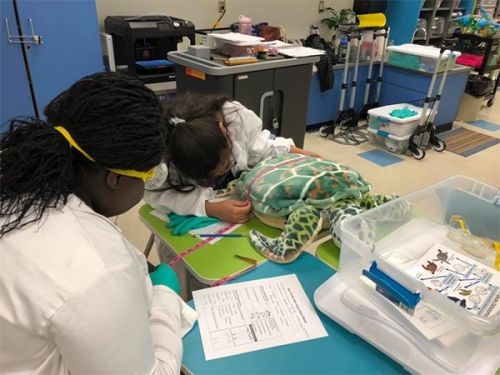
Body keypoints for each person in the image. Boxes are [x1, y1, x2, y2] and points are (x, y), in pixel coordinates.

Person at [0, 72, 195, 374]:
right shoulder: (97, 271)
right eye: (150, 177)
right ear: (114, 178)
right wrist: (166, 298)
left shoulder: (16, 178)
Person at [144, 92, 321, 223]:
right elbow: (157, 197)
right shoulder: (158, 160)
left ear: (223, 130)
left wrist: (291, 150)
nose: (223, 171)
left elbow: (256, 146)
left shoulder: (234, 118)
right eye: (215, 173)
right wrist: (208, 208)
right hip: (191, 211)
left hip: (232, 198)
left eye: (227, 162)